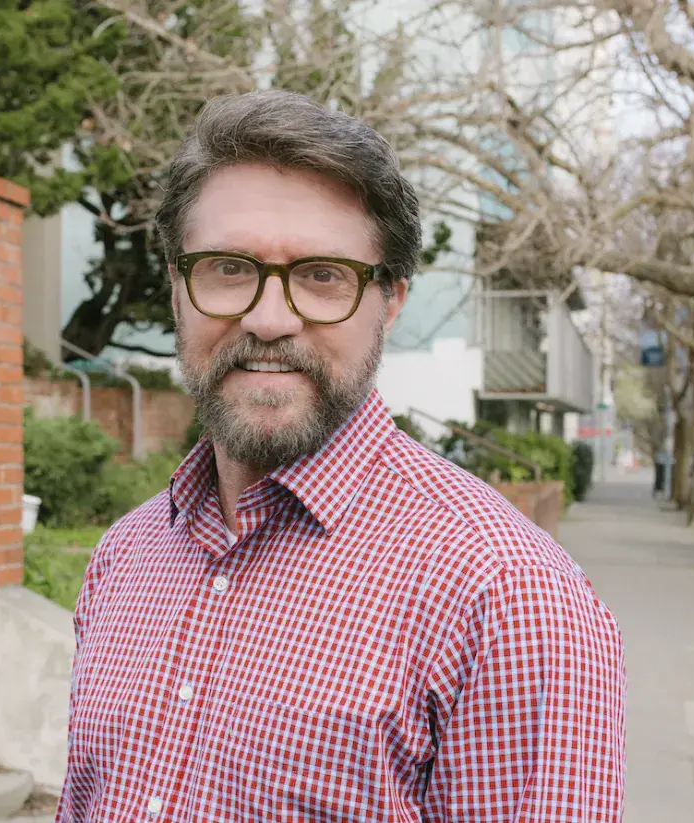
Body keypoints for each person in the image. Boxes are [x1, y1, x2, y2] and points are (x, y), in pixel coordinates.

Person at [55, 90, 626, 823]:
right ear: (176, 285)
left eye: (322, 275)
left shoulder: (509, 598)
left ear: (390, 300)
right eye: (228, 267)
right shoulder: (124, 558)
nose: (266, 318)